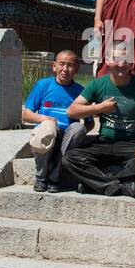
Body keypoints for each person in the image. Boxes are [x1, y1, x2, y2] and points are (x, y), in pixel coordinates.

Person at [61, 42, 135, 197]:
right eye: (116, 58)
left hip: (132, 144)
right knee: (69, 159)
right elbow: (72, 111)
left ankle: (97, 184)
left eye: (126, 58)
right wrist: (99, 108)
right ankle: (119, 186)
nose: (121, 63)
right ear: (107, 60)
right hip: (103, 143)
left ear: (132, 62)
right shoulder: (99, 84)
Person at [21, 48, 87, 192]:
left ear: (76, 68)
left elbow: (89, 122)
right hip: (48, 132)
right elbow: (26, 114)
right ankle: (41, 178)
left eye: (70, 65)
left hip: (67, 135)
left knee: (78, 128)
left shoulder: (80, 91)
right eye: (62, 64)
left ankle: (54, 177)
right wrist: (45, 118)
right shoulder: (43, 85)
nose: (65, 69)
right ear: (54, 66)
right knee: (47, 127)